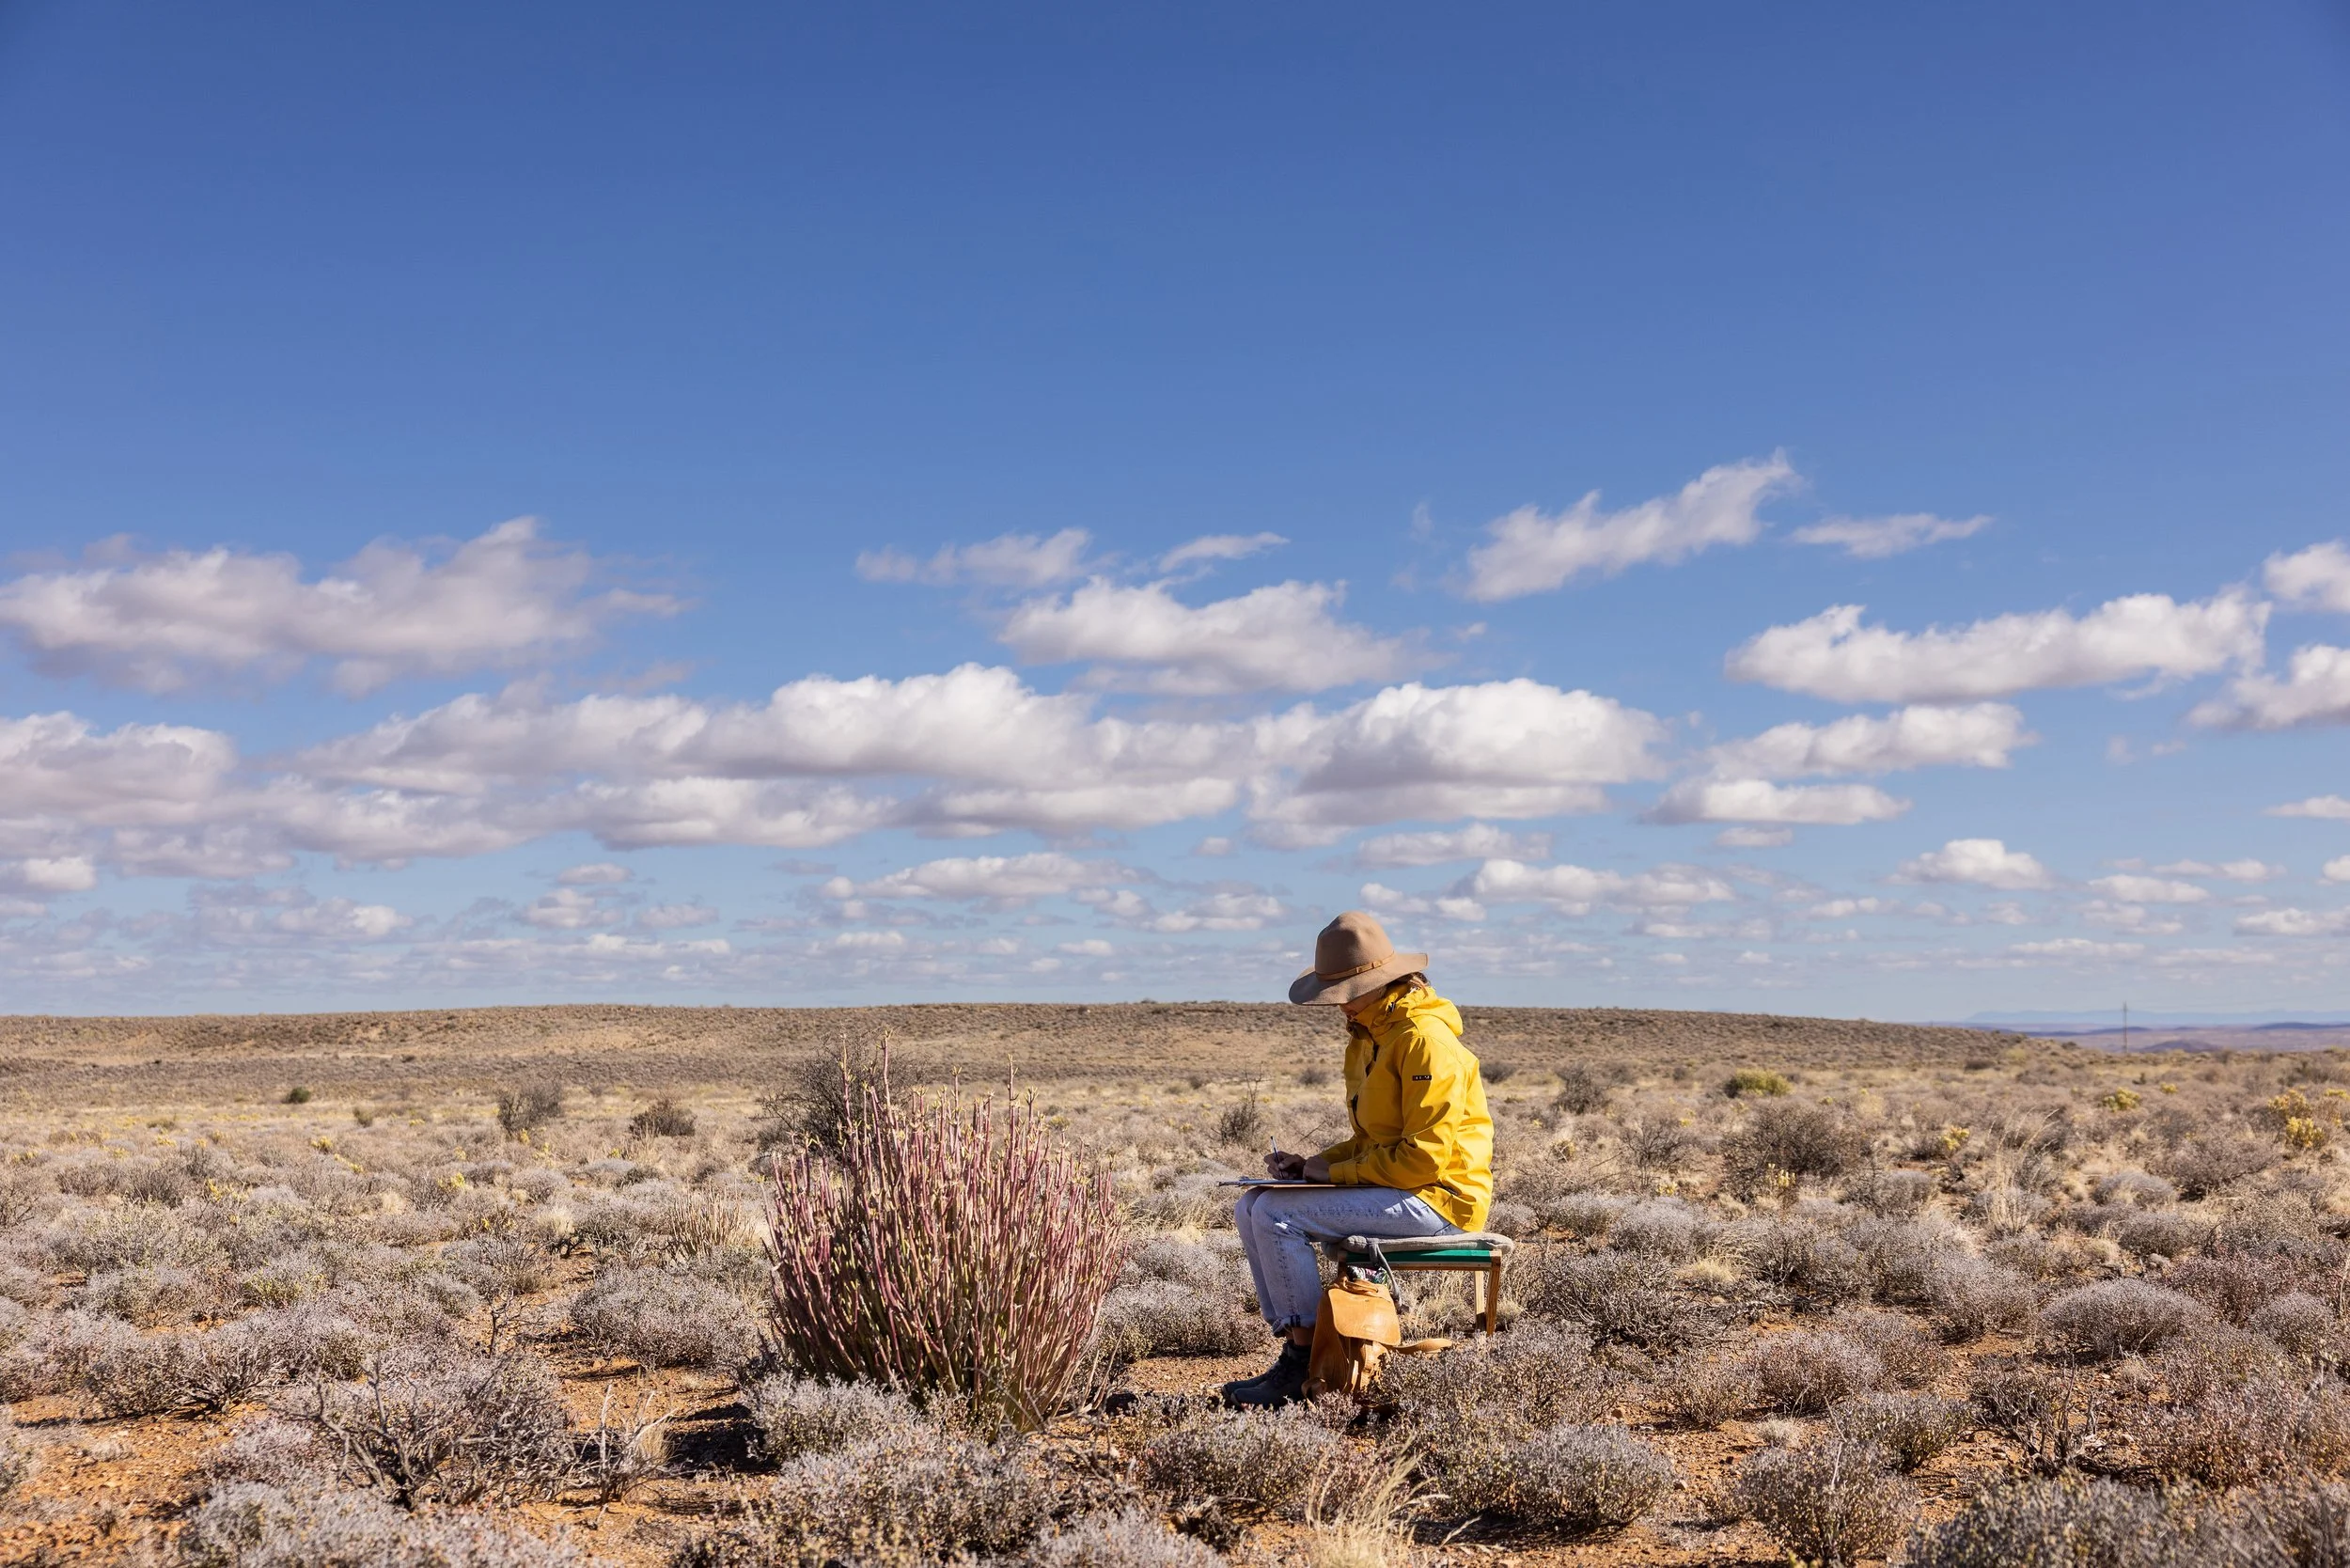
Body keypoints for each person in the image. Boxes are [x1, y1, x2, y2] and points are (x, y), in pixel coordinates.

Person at [1222, 910, 1494, 1408]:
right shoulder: (1372, 1036)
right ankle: (1295, 1350)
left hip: (1439, 1201)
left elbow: (1423, 1161)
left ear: (1381, 983)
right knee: (1252, 1205)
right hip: (1402, 1189)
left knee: (1277, 1214)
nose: (1339, 1007)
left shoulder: (1424, 1043)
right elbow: (1375, 1140)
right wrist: (1313, 1166)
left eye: (1345, 994)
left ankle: (1305, 1368)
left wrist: (1337, 1174)